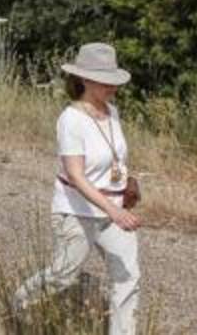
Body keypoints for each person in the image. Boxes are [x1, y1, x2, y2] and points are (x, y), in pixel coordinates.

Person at [14, 43, 141, 335]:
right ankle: (21, 301)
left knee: (127, 277)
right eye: (104, 81)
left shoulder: (113, 112)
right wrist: (113, 210)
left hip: (113, 211)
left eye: (114, 81)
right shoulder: (70, 119)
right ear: (84, 79)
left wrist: (127, 183)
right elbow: (76, 175)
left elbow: (115, 155)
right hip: (77, 211)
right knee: (63, 276)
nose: (112, 87)